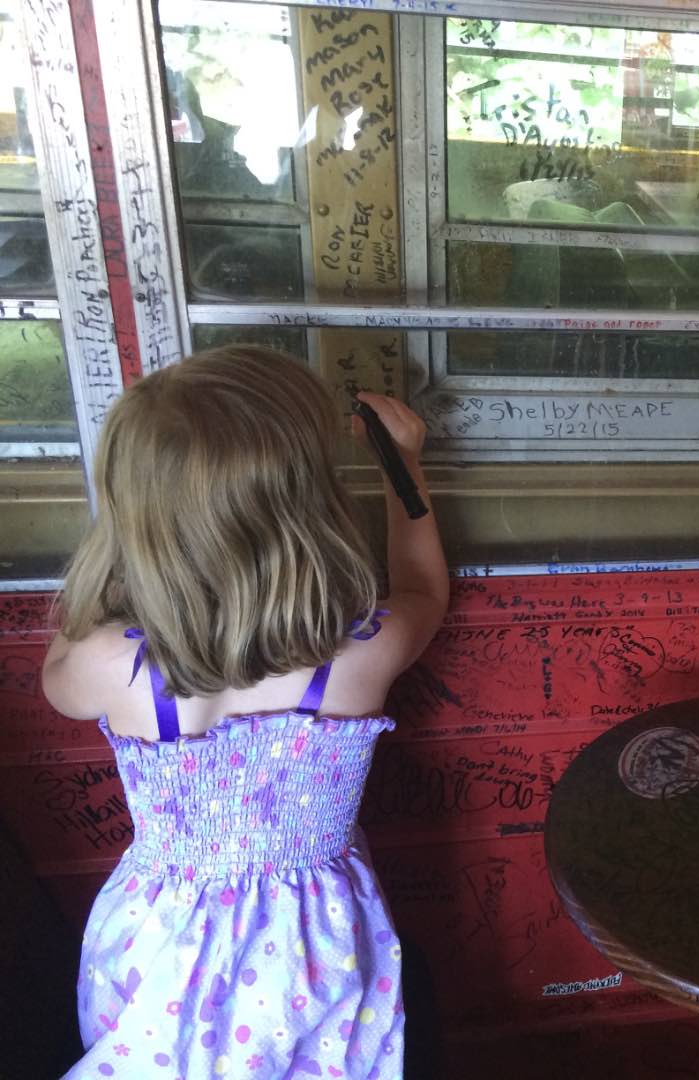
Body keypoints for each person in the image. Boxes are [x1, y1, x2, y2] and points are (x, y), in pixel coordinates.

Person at [42, 346, 448, 1080]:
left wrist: (115, 563)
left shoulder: (107, 663)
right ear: (312, 503)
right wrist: (403, 466)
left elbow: (56, 681)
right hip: (314, 948)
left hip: (154, 946)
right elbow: (423, 588)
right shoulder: (363, 649)